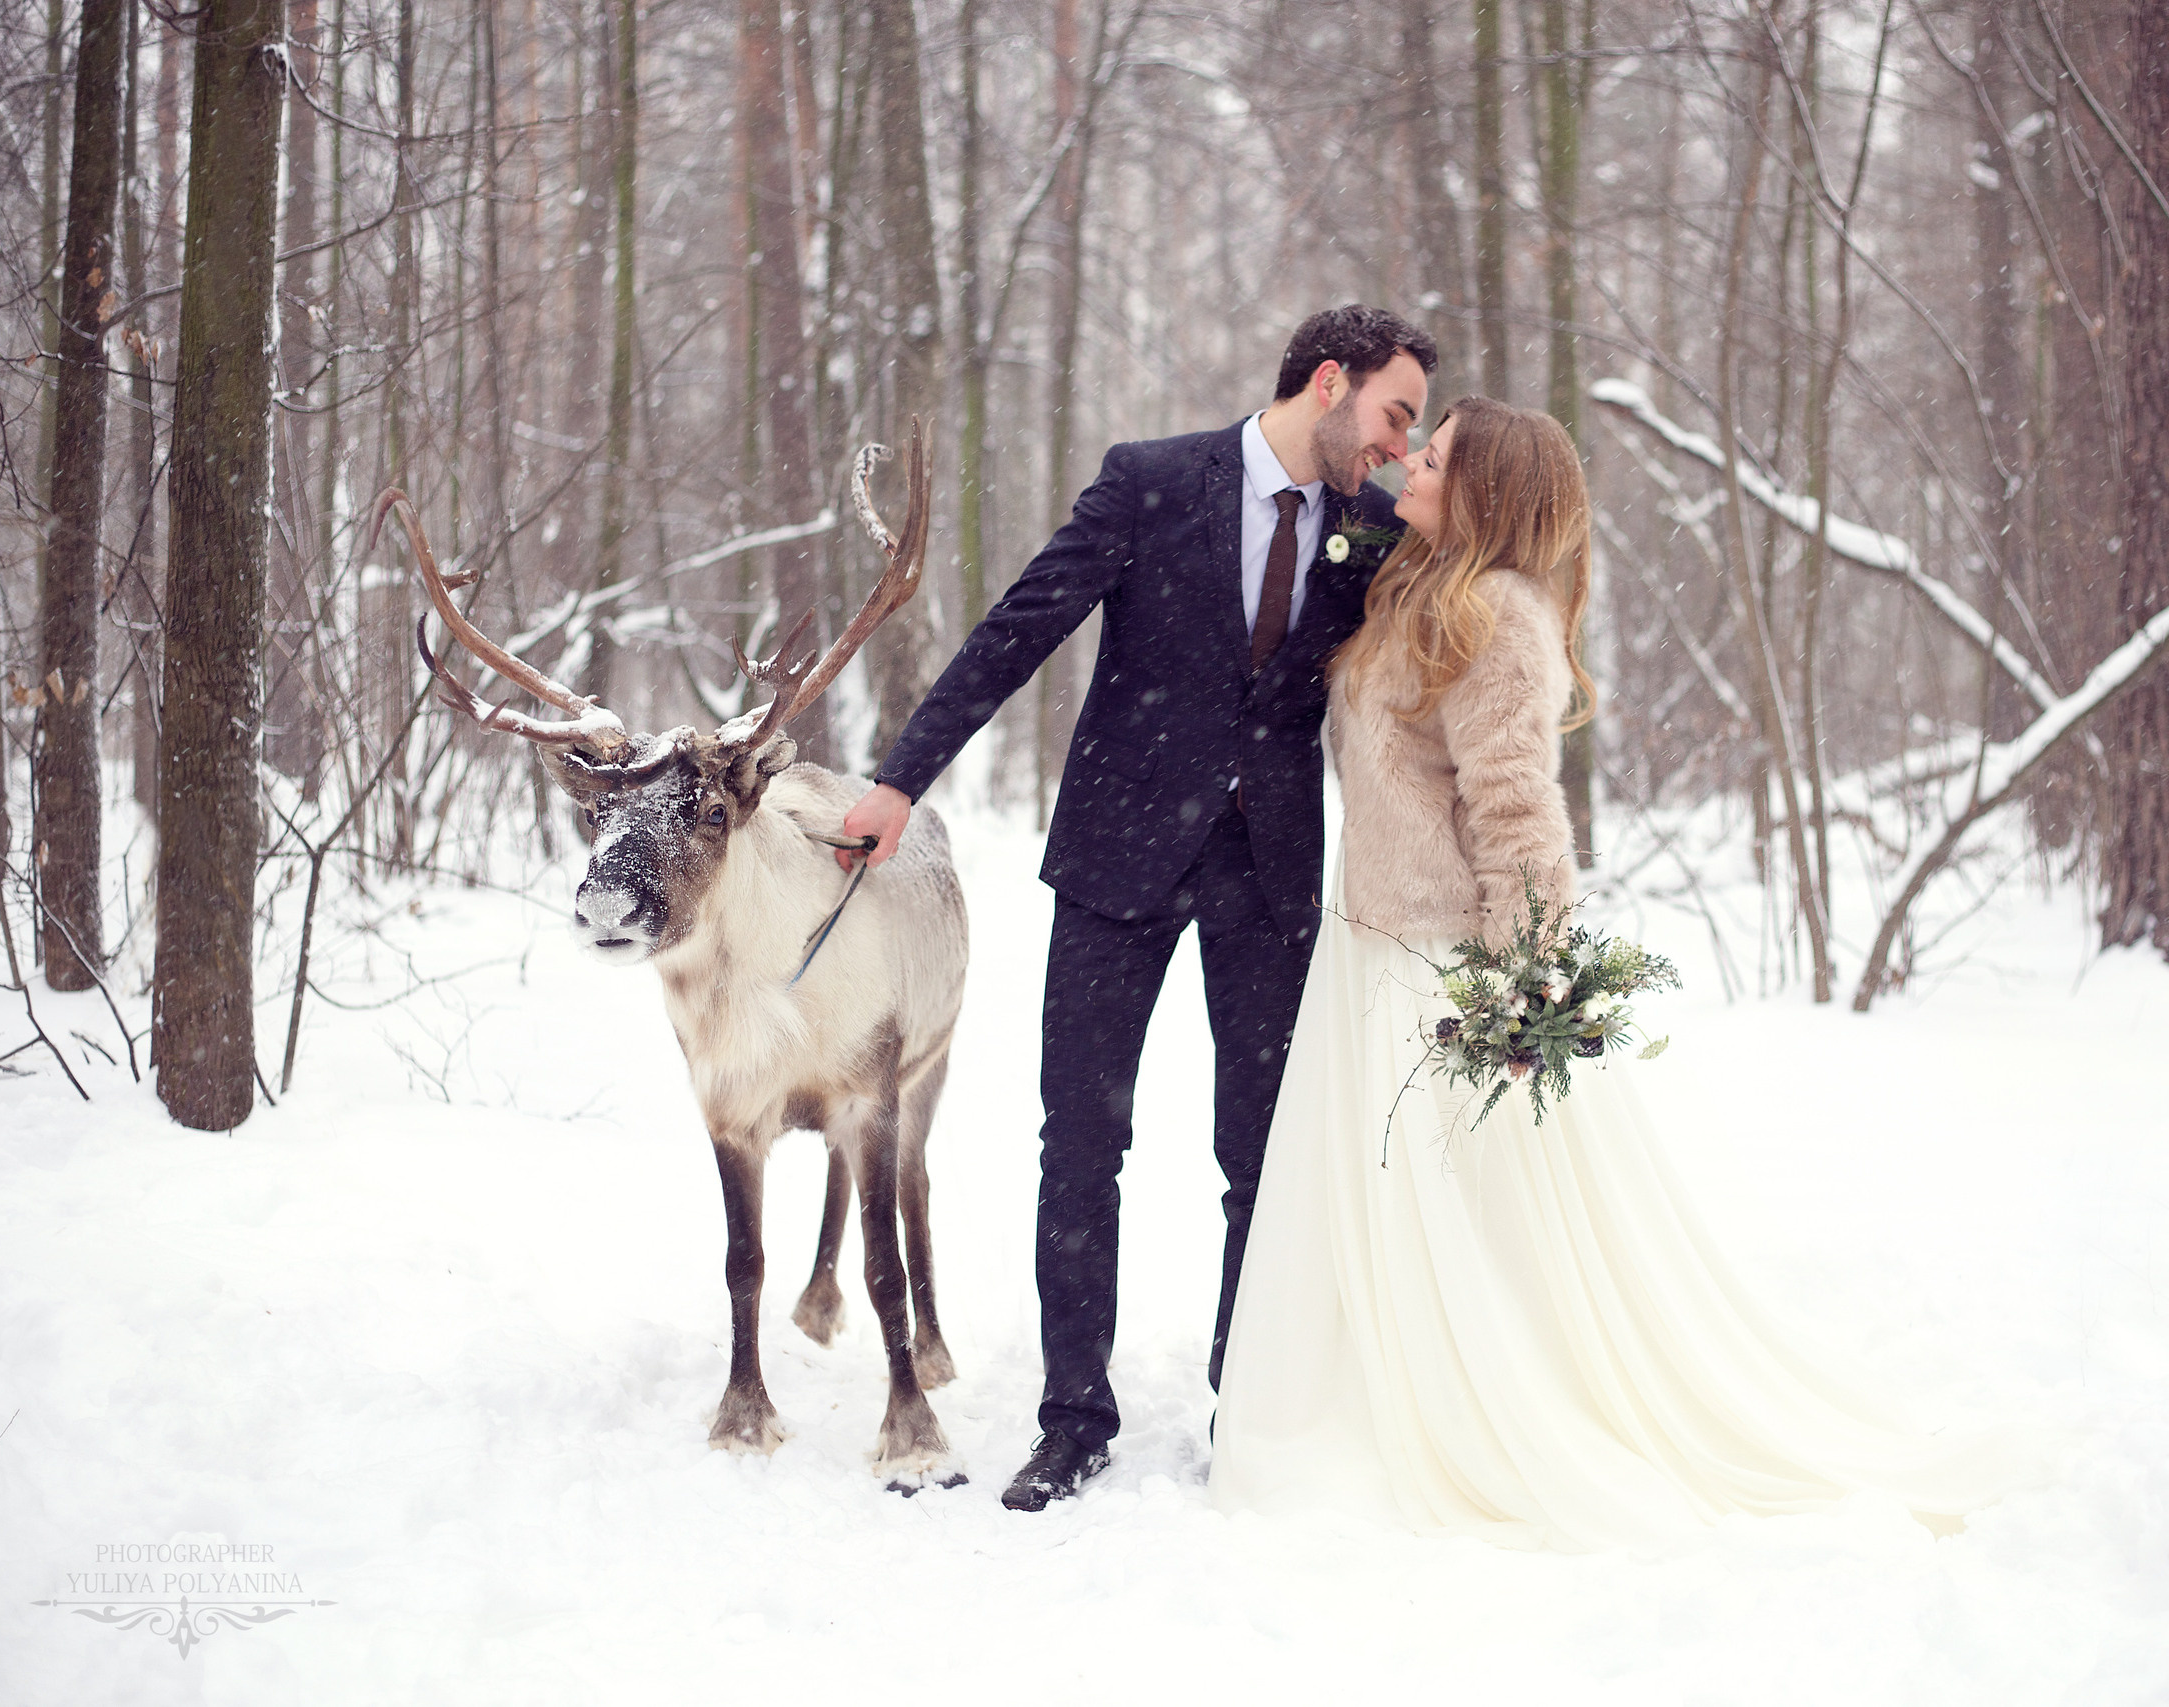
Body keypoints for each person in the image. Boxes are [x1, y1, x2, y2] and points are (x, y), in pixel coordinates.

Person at [1209, 397, 2045, 1549]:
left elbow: (1519, 815)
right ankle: (1374, 1400)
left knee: (1458, 1216)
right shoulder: (1412, 584)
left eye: (1435, 456)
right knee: (1385, 1211)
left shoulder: (1500, 617)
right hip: (1369, 947)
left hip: (1442, 964)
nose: (1410, 461)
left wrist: (1522, 991)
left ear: (1481, 495)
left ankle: (1488, 1409)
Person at [841, 305, 1439, 1511]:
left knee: (1260, 1156)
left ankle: (1249, 1401)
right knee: (1082, 1140)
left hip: (1268, 874)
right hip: (1119, 860)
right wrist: (902, 775)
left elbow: (1454, 650)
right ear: (1328, 382)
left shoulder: (1375, 531)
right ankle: (1073, 1419)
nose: (1396, 443)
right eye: (1393, 414)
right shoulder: (1153, 482)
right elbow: (1019, 630)